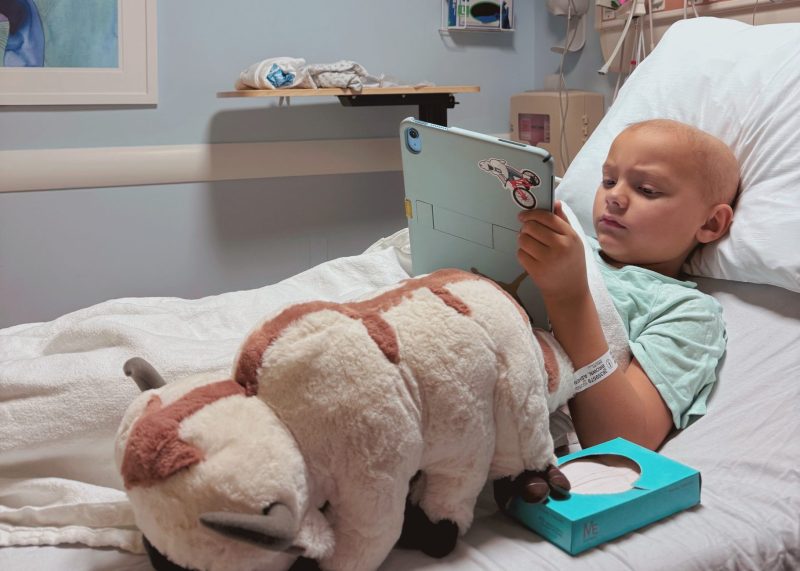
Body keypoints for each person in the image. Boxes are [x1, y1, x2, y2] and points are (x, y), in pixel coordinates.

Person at [496, 118, 740, 505]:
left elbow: (623, 443)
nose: (615, 197)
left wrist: (569, 296)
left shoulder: (686, 311)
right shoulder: (570, 238)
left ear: (710, 223)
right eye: (609, 181)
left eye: (646, 189)